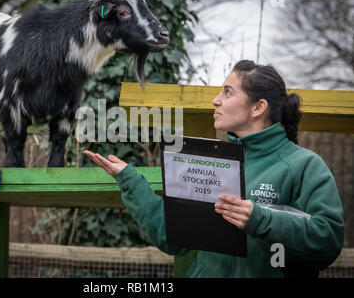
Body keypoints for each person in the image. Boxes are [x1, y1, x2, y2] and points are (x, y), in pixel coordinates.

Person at [83, 60, 344, 278]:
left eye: (227, 92)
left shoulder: (304, 165)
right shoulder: (209, 162)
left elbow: (328, 242)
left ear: (258, 107)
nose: (215, 100)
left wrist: (261, 219)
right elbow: (171, 237)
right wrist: (130, 180)